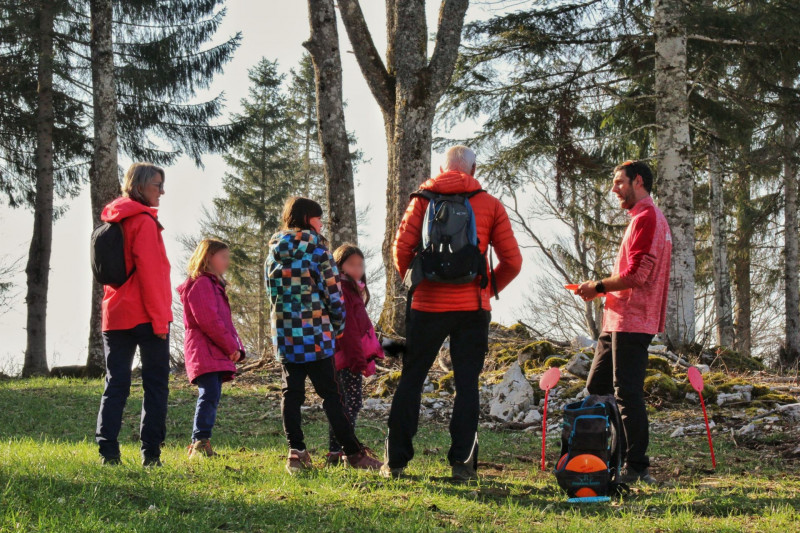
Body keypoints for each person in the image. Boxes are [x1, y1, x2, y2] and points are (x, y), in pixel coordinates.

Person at [384, 146, 523, 480]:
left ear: (441, 168)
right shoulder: (489, 204)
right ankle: (462, 465)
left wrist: (418, 284)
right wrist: (486, 289)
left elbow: (400, 248)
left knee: (412, 380)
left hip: (427, 306)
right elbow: (513, 261)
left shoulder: (422, 199)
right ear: (473, 168)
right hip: (472, 309)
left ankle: (396, 463)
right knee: (467, 385)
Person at [266, 197, 383, 474]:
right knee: (332, 396)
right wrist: (338, 328)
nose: (322, 223)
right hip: (316, 335)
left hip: (285, 335)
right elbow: (334, 297)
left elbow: (271, 294)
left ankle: (296, 454)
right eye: (319, 218)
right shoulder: (319, 253)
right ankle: (354, 453)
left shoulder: (273, 252)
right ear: (308, 219)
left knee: (291, 395)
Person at [576, 160, 672, 485]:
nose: (614, 189)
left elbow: (638, 276)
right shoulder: (641, 219)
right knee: (596, 389)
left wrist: (597, 286)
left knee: (626, 393)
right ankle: (599, 461)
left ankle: (637, 468)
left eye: (619, 182)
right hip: (615, 319)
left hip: (633, 320)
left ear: (638, 181)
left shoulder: (647, 218)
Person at [95, 162, 172, 467]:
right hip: (145, 316)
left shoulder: (112, 220)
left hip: (114, 316)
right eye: (157, 185)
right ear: (139, 186)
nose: (162, 192)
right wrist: (159, 320)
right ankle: (151, 454)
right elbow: (152, 276)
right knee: (155, 385)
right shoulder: (142, 222)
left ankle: (108, 452)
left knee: (115, 384)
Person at [177, 239, 245, 459]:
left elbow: (225, 323)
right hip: (205, 350)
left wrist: (236, 348)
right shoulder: (202, 284)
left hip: (212, 350)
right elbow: (210, 321)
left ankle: (202, 441)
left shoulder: (213, 285)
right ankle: (199, 441)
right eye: (223, 256)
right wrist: (230, 347)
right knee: (209, 394)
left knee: (212, 395)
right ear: (208, 257)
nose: (227, 261)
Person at [325, 243, 384, 466]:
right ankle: (340, 451)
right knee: (349, 404)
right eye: (351, 264)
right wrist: (358, 360)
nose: (357, 269)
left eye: (360, 264)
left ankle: (336, 451)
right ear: (339, 266)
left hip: (345, 357)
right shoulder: (344, 290)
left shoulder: (353, 289)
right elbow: (348, 330)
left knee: (346, 403)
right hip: (345, 358)